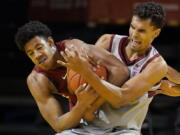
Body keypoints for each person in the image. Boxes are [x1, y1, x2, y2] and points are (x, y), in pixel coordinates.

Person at [57, 2, 169, 135]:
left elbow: (120, 98)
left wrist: (85, 72)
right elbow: (85, 81)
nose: (134, 35)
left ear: (156, 33)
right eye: (132, 27)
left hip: (123, 131)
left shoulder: (156, 65)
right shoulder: (107, 42)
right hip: (88, 127)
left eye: (142, 31)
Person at [14, 21, 129, 132]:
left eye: (39, 48)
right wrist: (82, 105)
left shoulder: (74, 48)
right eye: (30, 53)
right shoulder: (37, 80)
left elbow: (121, 71)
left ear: (50, 42)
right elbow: (58, 125)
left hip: (115, 101)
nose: (37, 55)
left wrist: (94, 104)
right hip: (84, 112)